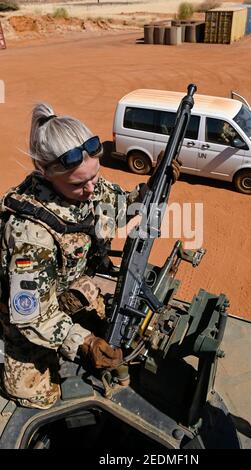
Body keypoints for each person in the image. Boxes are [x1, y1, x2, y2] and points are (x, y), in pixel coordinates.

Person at [0, 103, 181, 409]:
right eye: (78, 184)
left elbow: (121, 206)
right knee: (37, 396)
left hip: (69, 289)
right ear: (45, 173)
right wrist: (81, 343)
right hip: (24, 315)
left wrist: (155, 184)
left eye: (94, 176)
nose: (91, 188)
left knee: (108, 331)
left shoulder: (88, 185)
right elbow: (30, 317)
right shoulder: (30, 235)